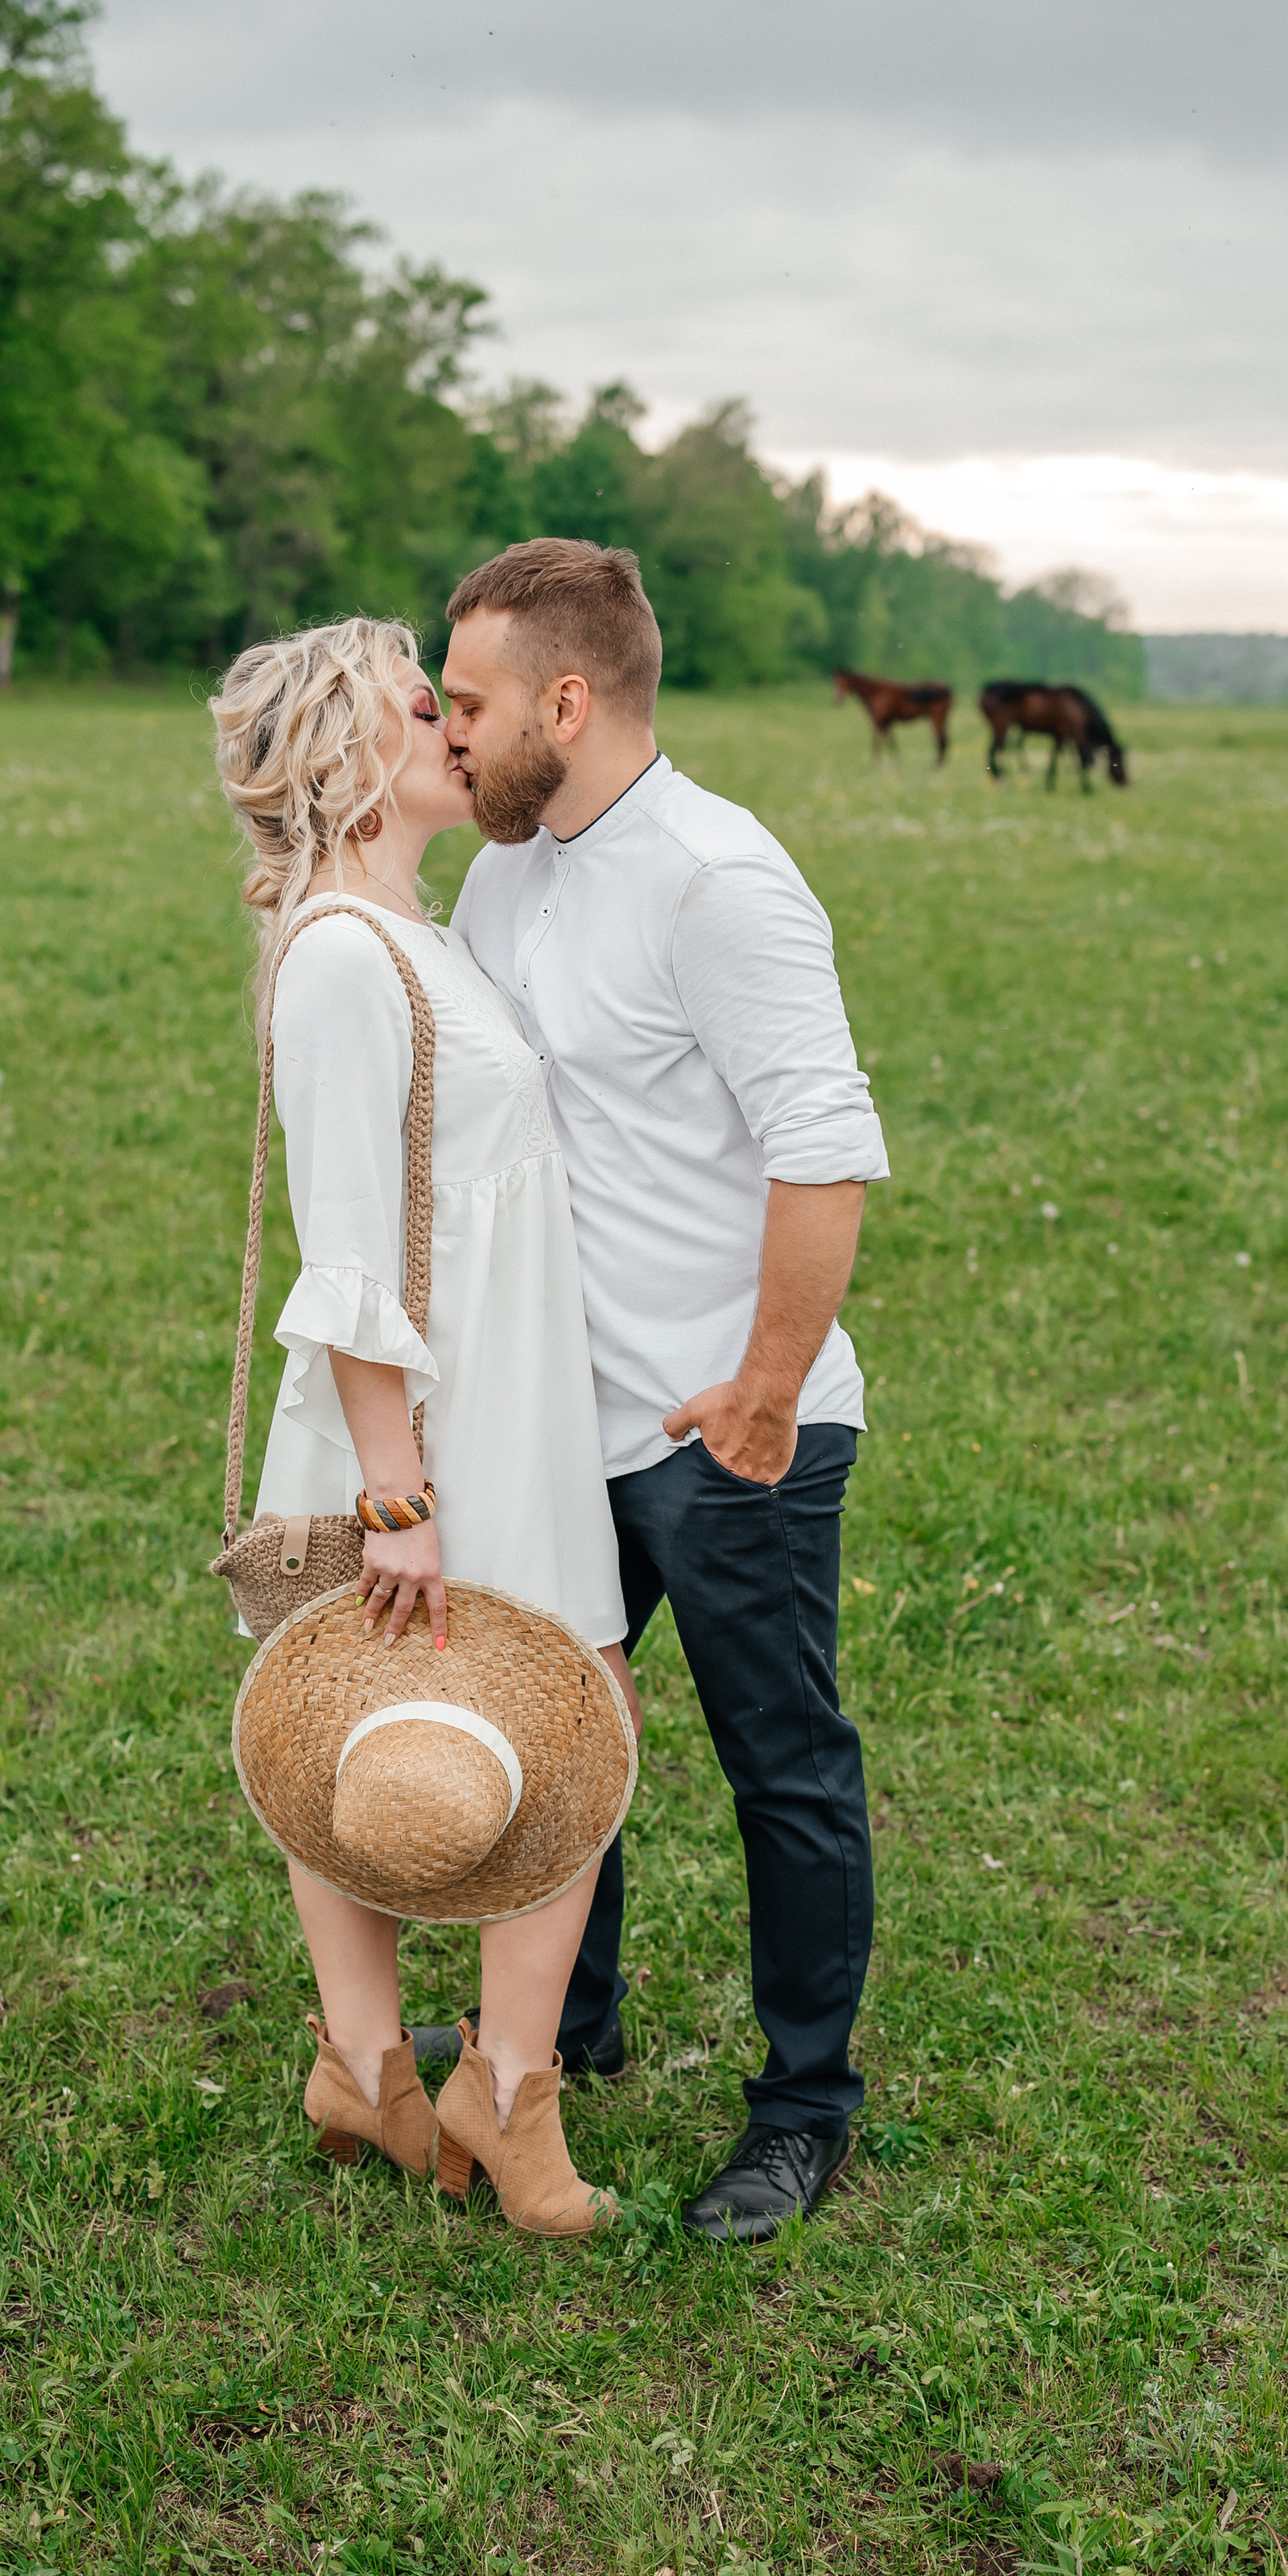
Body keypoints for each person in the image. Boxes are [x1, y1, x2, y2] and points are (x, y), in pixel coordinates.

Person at [440, 539, 890, 2246]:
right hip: (564, 1415)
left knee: (779, 1760)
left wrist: (766, 1389)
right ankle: (566, 2026)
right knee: (564, 1740)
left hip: (723, 1420)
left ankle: (802, 2112)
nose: (451, 733)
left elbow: (823, 1155)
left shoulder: (716, 880)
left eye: (469, 703)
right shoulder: (514, 872)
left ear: (569, 698)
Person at [209, 614, 641, 2235]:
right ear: (349, 751)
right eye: (421, 704)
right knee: (433, 1720)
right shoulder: (338, 952)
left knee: (542, 1717)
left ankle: (417, 2070)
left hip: (495, 1391)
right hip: (421, 1425)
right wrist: (396, 1488)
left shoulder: (416, 923)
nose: (454, 726)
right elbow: (342, 1243)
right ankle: (438, 2075)